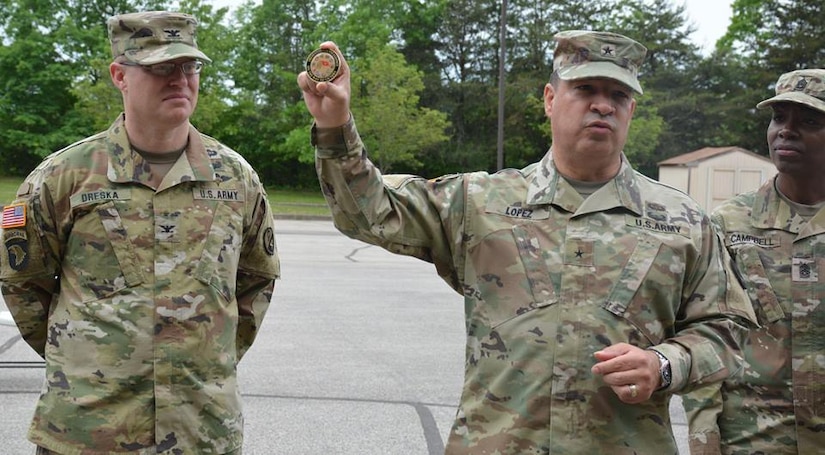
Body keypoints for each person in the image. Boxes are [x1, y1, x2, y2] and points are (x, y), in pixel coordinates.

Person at [298, 31, 757, 453]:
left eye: (618, 95)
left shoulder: (682, 221)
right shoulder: (479, 202)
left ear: (631, 111)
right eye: (585, 90)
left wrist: (664, 364)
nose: (603, 106)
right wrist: (337, 128)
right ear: (550, 99)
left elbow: (727, 333)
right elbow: (370, 213)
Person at [0, 11, 280, 454]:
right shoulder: (64, 177)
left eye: (189, 67)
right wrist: (87, 361)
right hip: (89, 432)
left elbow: (256, 282)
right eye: (160, 68)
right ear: (119, 76)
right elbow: (23, 285)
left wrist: (201, 360)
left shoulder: (235, 179)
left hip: (201, 431)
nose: (180, 79)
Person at [683, 69, 825, 454]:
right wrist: (704, 445)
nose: (786, 130)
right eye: (779, 118)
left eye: (810, 121)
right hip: (754, 441)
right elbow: (707, 340)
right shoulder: (728, 225)